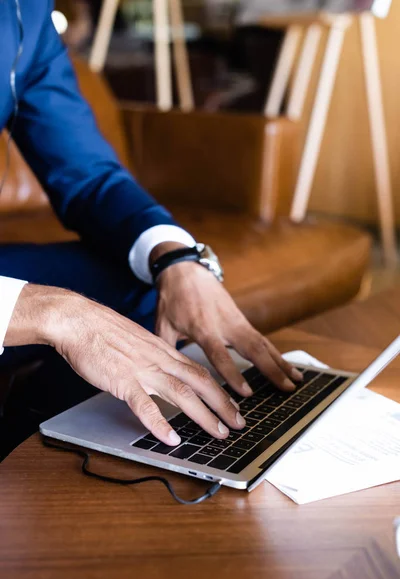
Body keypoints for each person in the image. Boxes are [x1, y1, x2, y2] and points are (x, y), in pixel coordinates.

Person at [0, 0, 302, 455]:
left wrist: (176, 259)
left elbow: (88, 175)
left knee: (151, 284)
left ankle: (38, 453)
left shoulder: (27, 12)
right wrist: (50, 312)